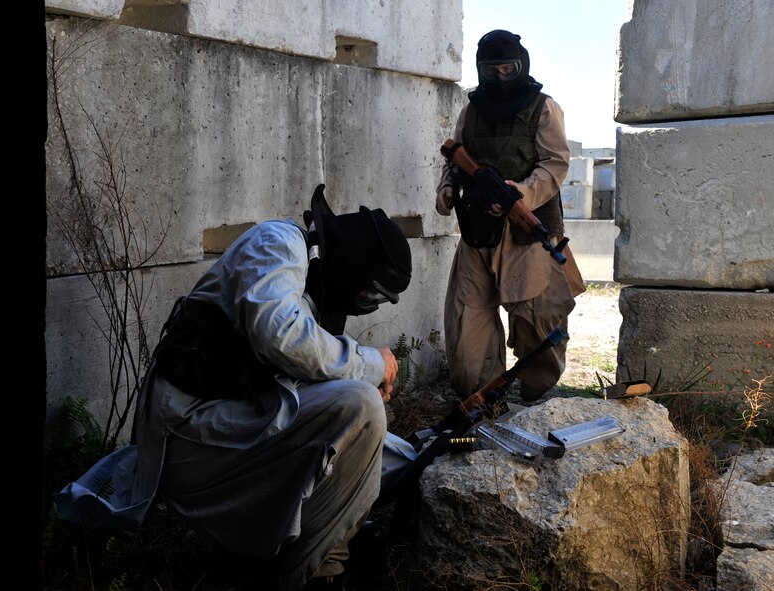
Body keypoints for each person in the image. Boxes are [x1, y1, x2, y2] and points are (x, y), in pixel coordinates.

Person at [56, 184, 412, 590]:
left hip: (234, 433)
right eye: (371, 293)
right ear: (356, 264)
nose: (366, 302)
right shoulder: (278, 244)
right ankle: (303, 571)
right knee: (362, 404)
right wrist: (368, 364)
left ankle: (310, 555)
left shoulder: (315, 286)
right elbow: (279, 335)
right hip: (190, 445)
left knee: (384, 445)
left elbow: (299, 383)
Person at [435, 29, 584, 403]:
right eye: (491, 70)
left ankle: (536, 398)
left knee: (538, 322)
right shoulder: (471, 112)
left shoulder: (543, 108)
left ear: (521, 65)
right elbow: (456, 157)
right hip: (477, 233)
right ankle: (483, 401)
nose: (500, 76)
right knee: (467, 327)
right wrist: (448, 188)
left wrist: (521, 194)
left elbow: (555, 165)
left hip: (526, 232)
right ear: (480, 70)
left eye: (508, 68)